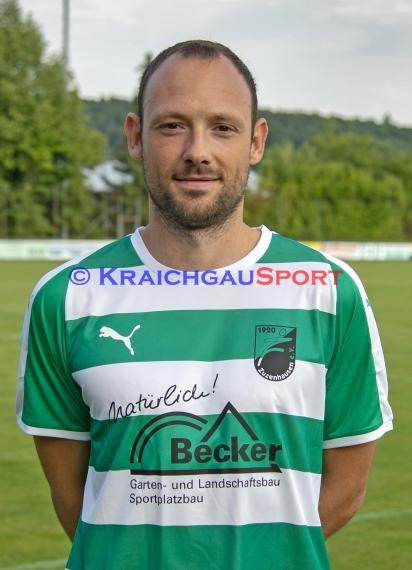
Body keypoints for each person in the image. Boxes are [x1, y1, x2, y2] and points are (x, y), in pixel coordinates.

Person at [16, 40, 393, 570]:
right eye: (171, 126)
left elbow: (345, 490)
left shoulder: (328, 289)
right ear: (134, 137)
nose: (198, 150)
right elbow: (75, 499)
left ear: (256, 141)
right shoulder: (69, 295)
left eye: (223, 126)